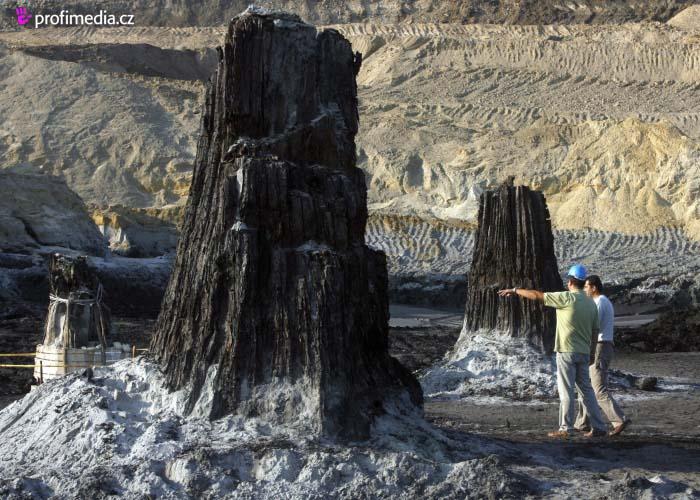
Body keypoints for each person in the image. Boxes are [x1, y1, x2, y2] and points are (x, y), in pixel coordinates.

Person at [498, 264, 608, 438]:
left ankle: (566, 428)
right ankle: (599, 426)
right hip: (584, 352)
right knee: (586, 390)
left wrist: (515, 290)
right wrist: (592, 353)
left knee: (566, 390)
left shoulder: (565, 298)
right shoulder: (591, 304)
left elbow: (536, 295)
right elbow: (595, 332)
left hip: (566, 351)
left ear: (570, 282)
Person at [575, 275, 630, 436]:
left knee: (598, 388)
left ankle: (619, 419)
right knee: (586, 385)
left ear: (593, 287)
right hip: (600, 345)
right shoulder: (602, 301)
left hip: (599, 346)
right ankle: (582, 422)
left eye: (586, 287)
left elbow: (593, 326)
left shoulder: (599, 303)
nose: (584, 290)